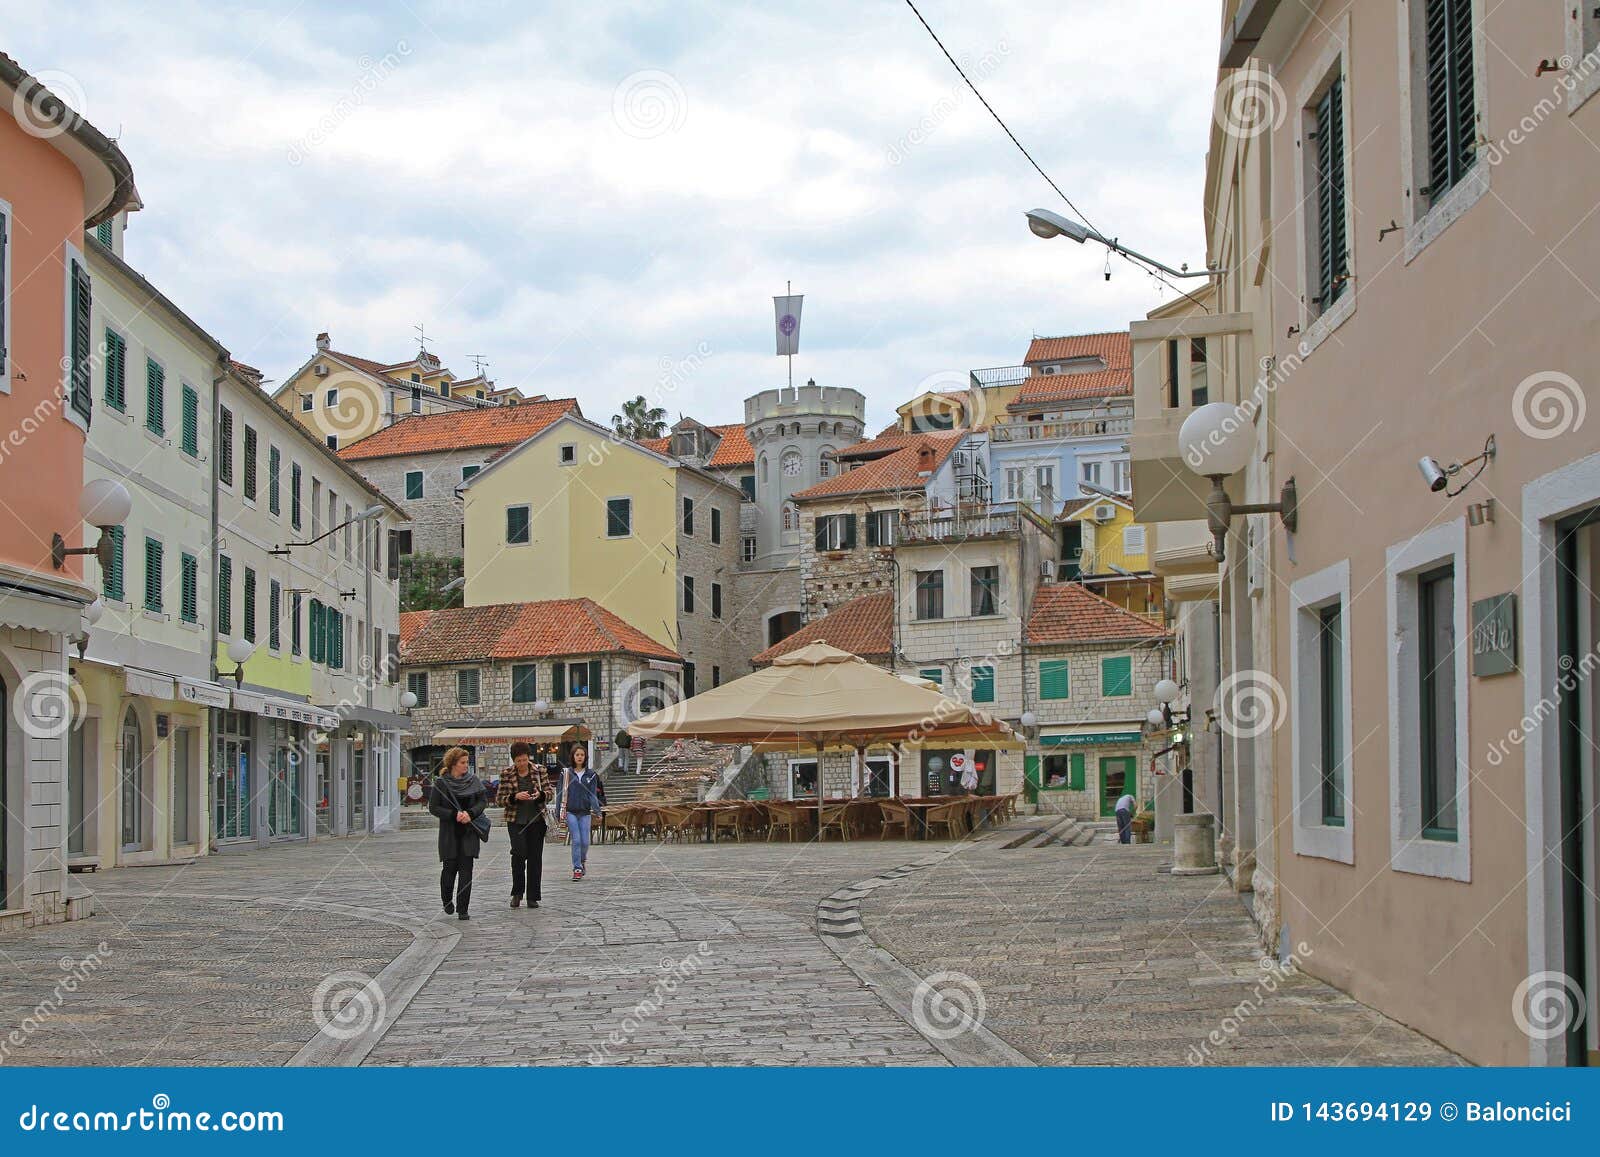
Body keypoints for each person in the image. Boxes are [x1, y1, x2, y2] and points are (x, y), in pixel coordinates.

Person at [428, 748, 488, 920]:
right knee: (449, 870)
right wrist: (453, 815)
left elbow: (482, 801)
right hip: (450, 833)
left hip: (469, 832)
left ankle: (463, 909)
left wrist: (470, 813)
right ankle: (447, 900)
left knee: (466, 871)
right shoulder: (441, 783)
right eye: (462, 763)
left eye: (466, 762)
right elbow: (433, 807)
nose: (466, 766)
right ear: (453, 764)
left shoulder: (473, 781)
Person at [496, 741, 553, 909]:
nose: (522, 764)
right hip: (516, 821)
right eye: (518, 761)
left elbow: (550, 792)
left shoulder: (539, 770)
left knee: (535, 858)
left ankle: (533, 896)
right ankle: (517, 892)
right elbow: (499, 799)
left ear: (529, 758)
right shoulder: (506, 774)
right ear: (514, 760)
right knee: (518, 854)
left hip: (537, 820)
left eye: (524, 760)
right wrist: (515, 797)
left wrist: (540, 795)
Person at [557, 745, 605, 880]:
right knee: (576, 840)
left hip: (585, 812)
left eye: (582, 755)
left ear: (585, 757)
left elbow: (592, 795)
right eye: (577, 755)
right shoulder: (565, 773)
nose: (579, 757)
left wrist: (598, 811)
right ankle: (577, 868)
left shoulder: (591, 775)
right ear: (573, 756)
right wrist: (558, 812)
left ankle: (582, 861)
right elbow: (560, 793)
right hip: (570, 811)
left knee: (585, 842)